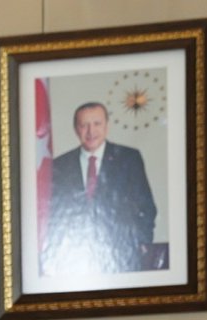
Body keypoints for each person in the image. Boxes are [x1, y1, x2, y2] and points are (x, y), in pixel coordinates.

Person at [44, 101, 159, 274]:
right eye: (84, 125)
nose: (91, 132)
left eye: (97, 124)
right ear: (76, 129)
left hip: (123, 258)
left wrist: (141, 243)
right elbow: (54, 213)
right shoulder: (60, 165)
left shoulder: (129, 158)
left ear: (107, 126)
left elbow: (147, 207)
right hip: (76, 260)